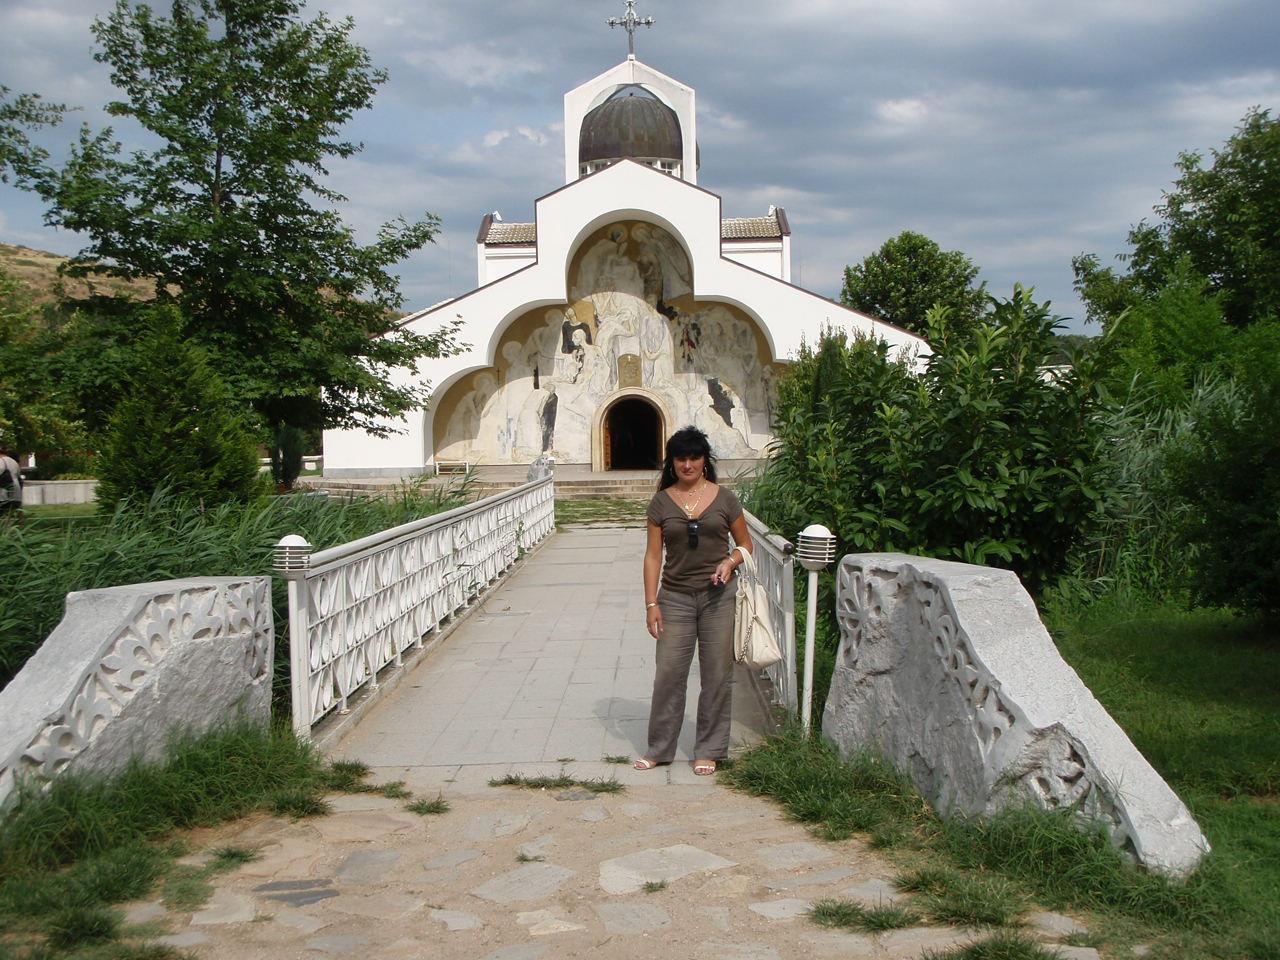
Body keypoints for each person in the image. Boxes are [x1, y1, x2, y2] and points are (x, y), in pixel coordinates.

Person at [635, 426, 753, 775]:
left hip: (719, 598)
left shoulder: (725, 498)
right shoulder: (661, 502)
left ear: (705, 461)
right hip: (674, 598)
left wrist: (730, 562)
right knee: (668, 674)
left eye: (694, 457)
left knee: (716, 675)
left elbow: (746, 544)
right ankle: (660, 748)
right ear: (671, 462)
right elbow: (653, 556)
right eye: (680, 458)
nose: (687, 464)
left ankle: (709, 749)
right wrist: (651, 604)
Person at [0, 445, 22, 517]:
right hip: (16, 494)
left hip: (4, 494)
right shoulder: (14, 462)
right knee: (8, 516)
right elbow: (18, 477)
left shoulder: (1, 461)